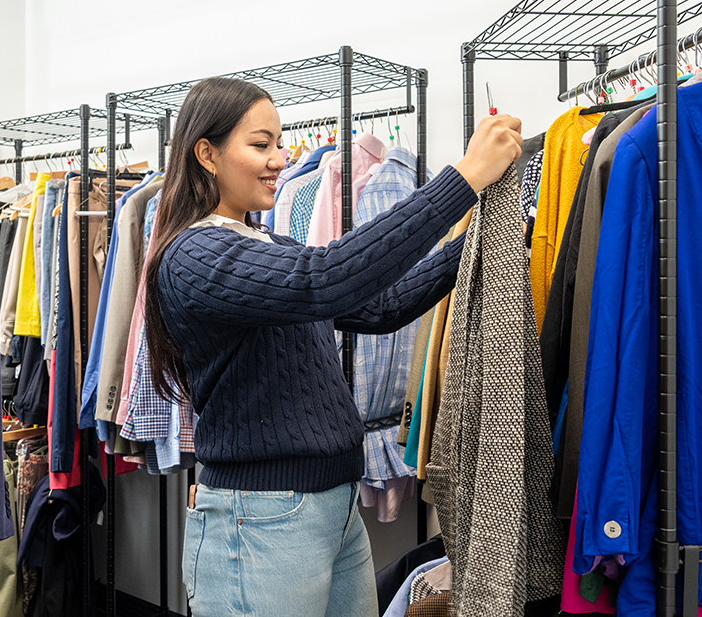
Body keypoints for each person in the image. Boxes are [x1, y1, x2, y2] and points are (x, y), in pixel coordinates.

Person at [142, 76, 522, 617]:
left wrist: (493, 236)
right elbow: (325, 279)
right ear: (207, 153)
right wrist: (463, 179)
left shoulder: (267, 244)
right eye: (261, 144)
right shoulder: (195, 254)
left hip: (332, 508)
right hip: (260, 519)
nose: (279, 159)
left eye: (279, 143)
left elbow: (382, 307)